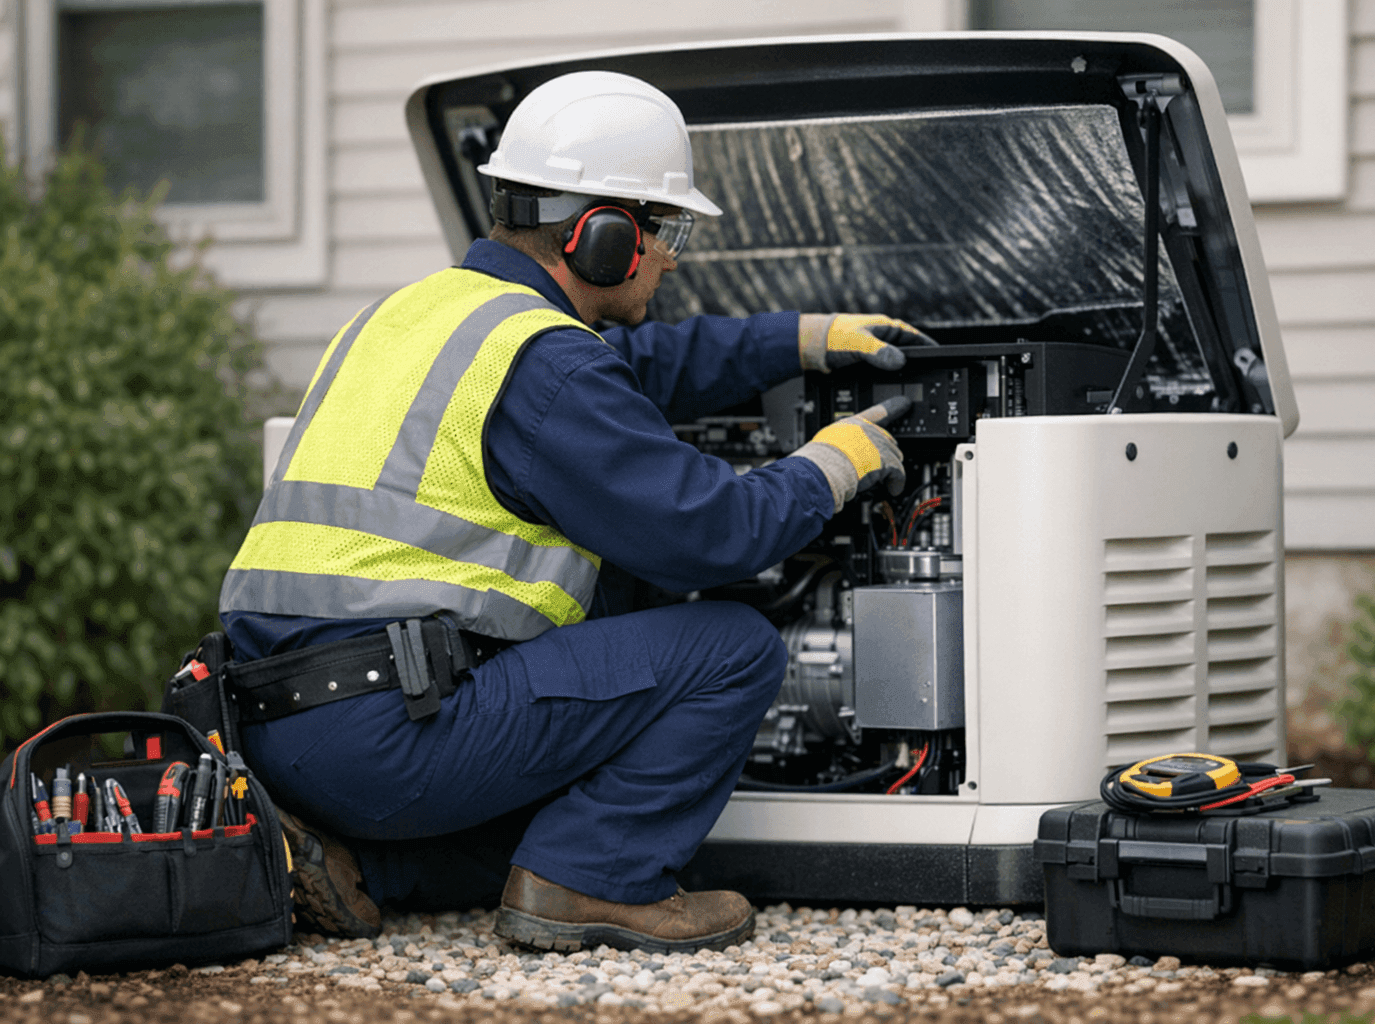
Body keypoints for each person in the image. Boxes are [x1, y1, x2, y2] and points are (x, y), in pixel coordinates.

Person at [217, 70, 933, 954]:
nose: (674, 256)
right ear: (602, 237)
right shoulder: (545, 364)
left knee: (547, 814)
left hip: (274, 737)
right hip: (389, 733)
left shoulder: (412, 317)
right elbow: (710, 536)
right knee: (731, 647)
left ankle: (349, 864)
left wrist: (797, 339)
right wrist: (832, 464)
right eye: (664, 230)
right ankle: (599, 884)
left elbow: (634, 364)